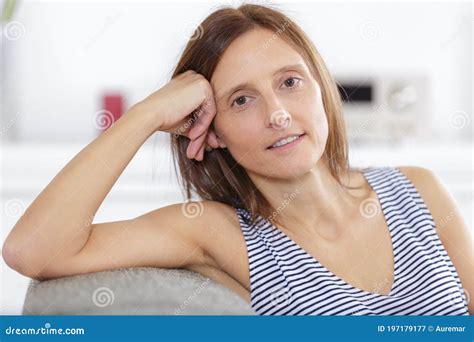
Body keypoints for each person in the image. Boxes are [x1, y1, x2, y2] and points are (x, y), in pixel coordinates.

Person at [3, 3, 472, 316]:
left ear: (322, 86)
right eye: (242, 101)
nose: (279, 115)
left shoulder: (419, 189)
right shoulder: (215, 232)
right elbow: (32, 249)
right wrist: (146, 114)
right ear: (213, 129)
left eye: (290, 82)